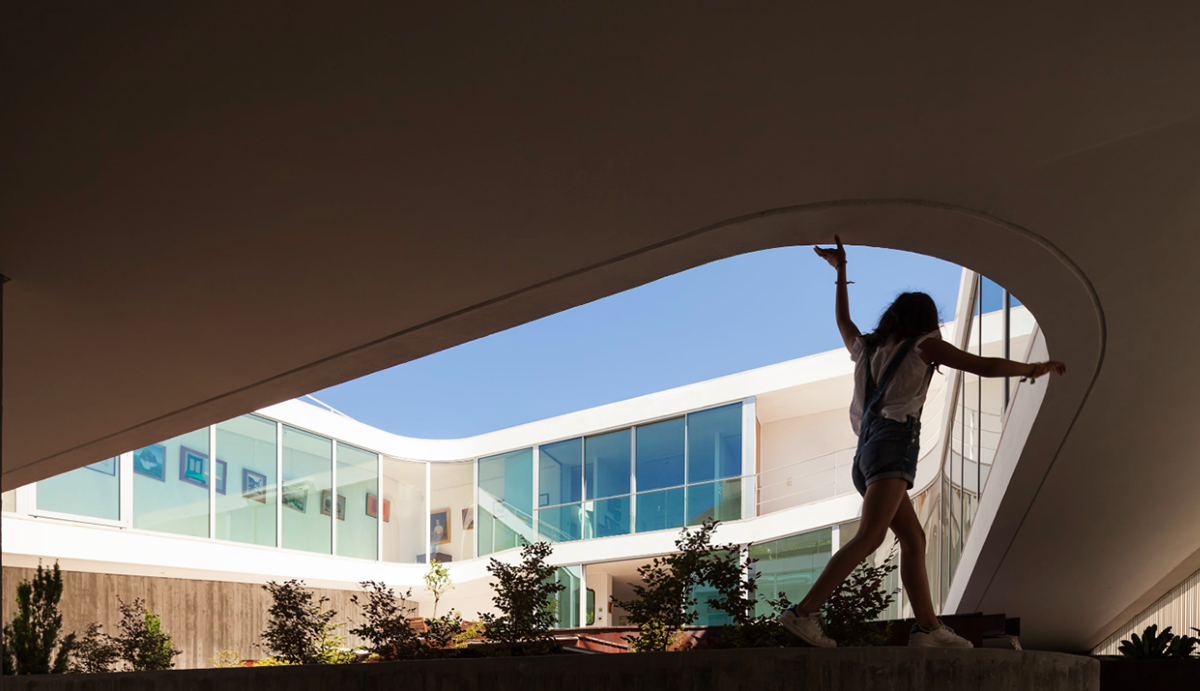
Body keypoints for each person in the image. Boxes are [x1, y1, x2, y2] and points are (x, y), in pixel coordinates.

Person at [776, 236, 1066, 649]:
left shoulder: (867, 349)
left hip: (866, 454)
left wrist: (841, 274)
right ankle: (803, 613)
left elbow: (845, 323)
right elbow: (982, 366)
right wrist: (1035, 367)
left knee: (914, 539)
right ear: (925, 322)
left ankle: (927, 629)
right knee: (871, 536)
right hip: (893, 445)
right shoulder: (923, 346)